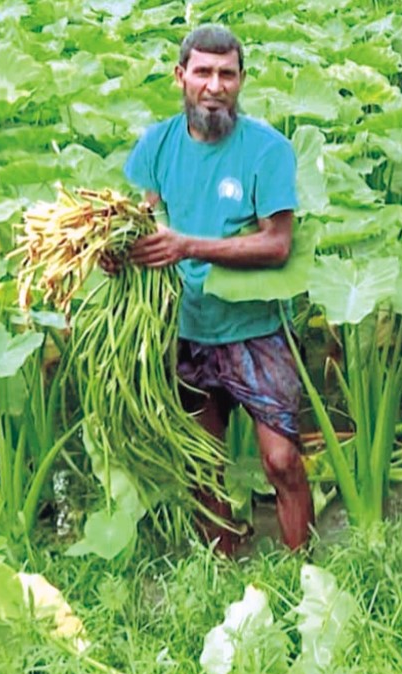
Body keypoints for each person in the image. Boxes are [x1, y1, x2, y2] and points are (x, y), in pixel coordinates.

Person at [122, 25, 313, 554]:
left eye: (226, 74)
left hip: (254, 327)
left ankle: (304, 570)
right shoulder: (155, 144)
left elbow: (277, 244)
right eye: (203, 72)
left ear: (241, 80)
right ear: (181, 77)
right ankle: (226, 568)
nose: (214, 85)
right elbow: (146, 214)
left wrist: (188, 246)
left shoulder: (267, 150)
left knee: (282, 460)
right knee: (202, 463)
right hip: (187, 325)